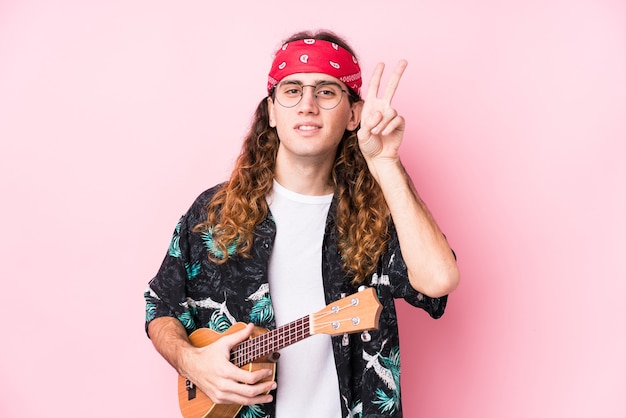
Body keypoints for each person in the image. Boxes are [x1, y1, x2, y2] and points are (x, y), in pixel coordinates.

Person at [144, 29, 459, 418]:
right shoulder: (214, 212)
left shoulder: (375, 216)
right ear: (272, 112)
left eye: (326, 91)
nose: (307, 104)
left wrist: (387, 163)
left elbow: (439, 280)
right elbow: (160, 306)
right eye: (291, 90)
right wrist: (190, 362)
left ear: (353, 115)